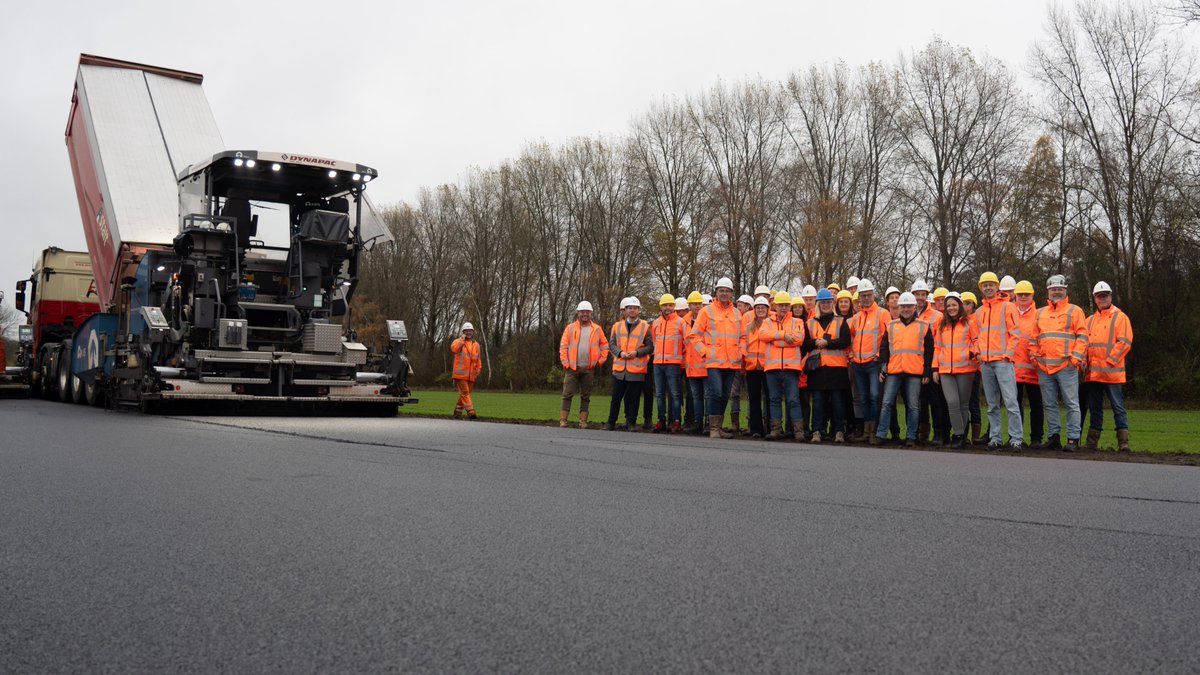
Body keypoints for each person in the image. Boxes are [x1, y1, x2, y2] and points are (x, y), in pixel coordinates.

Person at [1029, 274, 1089, 452]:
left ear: (1065, 290)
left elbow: (1083, 337)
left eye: (1060, 289)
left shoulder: (1075, 311)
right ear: (1048, 291)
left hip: (1066, 366)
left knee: (1071, 403)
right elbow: (1033, 339)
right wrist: (1033, 357)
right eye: (1053, 288)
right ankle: (1054, 437)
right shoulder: (1040, 313)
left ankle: (1073, 439)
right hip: (1044, 367)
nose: (1056, 291)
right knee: (1049, 404)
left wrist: (1075, 359)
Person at [875, 292, 934, 447]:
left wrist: (927, 371)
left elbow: (929, 351)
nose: (906, 309)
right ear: (899, 307)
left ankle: (911, 437)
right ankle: (881, 435)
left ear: (915, 307)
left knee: (914, 406)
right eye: (903, 306)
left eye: (909, 306)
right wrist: (883, 368)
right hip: (893, 371)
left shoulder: (924, 326)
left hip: (914, 372)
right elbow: (884, 349)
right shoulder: (891, 325)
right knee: (887, 403)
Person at [690, 277, 743, 439]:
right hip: (714, 361)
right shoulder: (706, 311)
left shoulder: (736, 313)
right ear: (716, 292)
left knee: (725, 393)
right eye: (722, 290)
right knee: (716, 391)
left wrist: (740, 353)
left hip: (732, 362)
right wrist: (705, 352)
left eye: (727, 291)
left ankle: (718, 427)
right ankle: (713, 428)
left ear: (731, 293)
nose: (724, 293)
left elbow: (744, 337)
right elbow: (694, 336)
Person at [976, 271, 1025, 450]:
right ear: (982, 288)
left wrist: (1007, 355)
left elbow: (1015, 333)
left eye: (991, 284)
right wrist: (978, 353)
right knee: (992, 405)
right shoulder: (979, 311)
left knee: (1011, 402)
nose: (988, 287)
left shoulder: (1007, 306)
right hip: (986, 364)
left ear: (997, 287)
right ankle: (995, 438)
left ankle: (1016, 439)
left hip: (1003, 362)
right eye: (985, 285)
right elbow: (976, 336)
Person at [1083, 281, 1133, 452]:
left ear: (1110, 296)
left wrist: (1109, 361)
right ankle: (1092, 442)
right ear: (1095, 298)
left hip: (1112, 374)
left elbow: (1125, 342)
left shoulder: (1121, 317)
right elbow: (1084, 345)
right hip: (1093, 375)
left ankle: (1123, 443)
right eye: (1099, 296)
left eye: (1105, 295)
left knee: (1118, 408)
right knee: (1095, 409)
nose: (1102, 298)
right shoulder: (1089, 321)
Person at [932, 293, 979, 448]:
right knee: (952, 402)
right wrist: (935, 368)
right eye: (948, 306)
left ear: (959, 305)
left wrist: (971, 353)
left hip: (965, 368)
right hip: (945, 369)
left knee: (963, 404)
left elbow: (976, 341)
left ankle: (960, 436)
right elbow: (937, 347)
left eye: (954, 305)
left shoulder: (969, 323)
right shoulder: (941, 325)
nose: (951, 308)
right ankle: (959, 433)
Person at [805, 289, 852, 443]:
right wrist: (815, 342)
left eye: (828, 302)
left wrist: (827, 343)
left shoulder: (841, 321)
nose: (825, 305)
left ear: (832, 303)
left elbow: (845, 341)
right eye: (822, 302)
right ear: (818, 304)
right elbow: (804, 344)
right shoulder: (810, 322)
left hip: (837, 369)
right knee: (818, 402)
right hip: (817, 370)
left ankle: (839, 432)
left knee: (838, 403)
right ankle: (816, 431)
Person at [759, 291, 805, 440]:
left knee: (793, 400)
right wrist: (783, 336)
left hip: (791, 369)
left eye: (786, 305)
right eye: (780, 305)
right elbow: (762, 336)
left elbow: (798, 340)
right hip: (772, 368)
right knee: (774, 399)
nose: (783, 308)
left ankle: (798, 432)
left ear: (789, 307)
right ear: (775, 306)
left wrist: (774, 339)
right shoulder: (767, 322)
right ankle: (775, 430)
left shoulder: (797, 322)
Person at [848, 279, 889, 445]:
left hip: (873, 363)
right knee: (864, 397)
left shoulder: (882, 313)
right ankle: (866, 430)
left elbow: (888, 338)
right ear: (858, 298)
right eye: (863, 296)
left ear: (874, 295)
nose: (865, 298)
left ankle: (874, 431)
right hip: (858, 363)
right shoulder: (856, 317)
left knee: (874, 396)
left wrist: (880, 357)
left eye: (868, 295)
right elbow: (851, 337)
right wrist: (852, 356)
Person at [559, 300, 610, 429]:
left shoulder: (597, 329)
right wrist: (566, 363)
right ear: (578, 313)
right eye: (582, 312)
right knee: (567, 395)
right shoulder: (570, 328)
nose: (585, 314)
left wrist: (600, 361)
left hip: (589, 369)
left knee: (586, 396)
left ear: (591, 313)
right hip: (572, 369)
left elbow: (605, 346)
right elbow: (563, 347)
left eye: (587, 312)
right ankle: (563, 421)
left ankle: (583, 422)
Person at [606, 297, 653, 431]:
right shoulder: (617, 326)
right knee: (615, 398)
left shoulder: (645, 326)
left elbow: (650, 347)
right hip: (620, 369)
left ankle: (631, 423)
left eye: (635, 308)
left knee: (634, 399)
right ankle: (611, 423)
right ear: (625, 310)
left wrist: (637, 353)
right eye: (630, 308)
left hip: (636, 369)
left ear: (639, 310)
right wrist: (620, 353)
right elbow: (612, 344)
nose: (632, 310)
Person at [912, 281, 947, 445]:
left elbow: (939, 344)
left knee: (935, 400)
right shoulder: (908, 313)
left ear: (927, 296)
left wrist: (934, 367)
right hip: (914, 364)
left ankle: (939, 434)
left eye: (922, 294)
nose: (919, 297)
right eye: (917, 294)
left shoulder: (937, 316)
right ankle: (922, 432)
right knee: (920, 401)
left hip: (932, 363)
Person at [1010, 281, 1045, 448]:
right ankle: (1015, 438)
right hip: (1013, 369)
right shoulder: (1009, 312)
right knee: (1014, 406)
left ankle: (1036, 438)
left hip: (1034, 369)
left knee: (1036, 405)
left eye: (1026, 294)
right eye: (1020, 294)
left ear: (1032, 296)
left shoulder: (1039, 314)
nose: (1023, 297)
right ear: (1015, 295)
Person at [650, 294, 687, 433]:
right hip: (658, 363)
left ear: (674, 306)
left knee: (675, 394)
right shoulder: (655, 323)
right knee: (659, 394)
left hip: (673, 364)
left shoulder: (680, 322)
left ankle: (676, 421)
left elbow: (686, 342)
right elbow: (655, 342)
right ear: (661, 306)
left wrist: (679, 358)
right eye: (665, 305)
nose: (668, 308)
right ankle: (661, 420)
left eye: (670, 305)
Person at [741, 296, 771, 438]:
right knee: (754, 398)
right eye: (758, 308)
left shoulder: (772, 325)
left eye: (763, 308)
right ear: (754, 310)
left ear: (767, 310)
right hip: (752, 367)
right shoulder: (748, 327)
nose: (760, 310)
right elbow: (743, 344)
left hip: (768, 367)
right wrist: (745, 357)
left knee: (770, 398)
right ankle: (756, 429)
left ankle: (771, 428)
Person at [727, 293, 754, 433]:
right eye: (738, 304)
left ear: (748, 306)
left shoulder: (752, 321)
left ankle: (750, 424)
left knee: (750, 394)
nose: (738, 307)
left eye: (741, 305)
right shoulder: (734, 319)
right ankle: (735, 424)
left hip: (749, 363)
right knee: (734, 393)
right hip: (736, 362)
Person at [960, 290, 984, 443]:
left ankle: (975, 436)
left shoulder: (977, 320)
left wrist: (971, 352)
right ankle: (963, 433)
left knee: (973, 402)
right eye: (963, 303)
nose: (965, 306)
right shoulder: (959, 320)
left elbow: (979, 341)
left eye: (968, 303)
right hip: (960, 367)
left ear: (973, 305)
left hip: (974, 367)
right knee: (962, 402)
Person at [681, 292, 707, 432]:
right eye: (694, 304)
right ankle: (698, 423)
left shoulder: (707, 319)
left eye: (699, 303)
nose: (697, 306)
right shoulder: (684, 322)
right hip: (691, 366)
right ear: (689, 305)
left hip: (706, 364)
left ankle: (708, 423)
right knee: (696, 397)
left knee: (708, 396)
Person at [450, 321, 482, 419]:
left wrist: (478, 369)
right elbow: (454, 349)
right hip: (460, 375)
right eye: (466, 331)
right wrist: (462, 341)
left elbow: (478, 358)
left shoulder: (476, 345)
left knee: (464, 395)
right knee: (465, 393)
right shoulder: (458, 341)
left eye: (470, 331)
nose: (468, 333)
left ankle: (457, 413)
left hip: (471, 375)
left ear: (473, 332)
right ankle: (471, 413)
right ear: (463, 332)